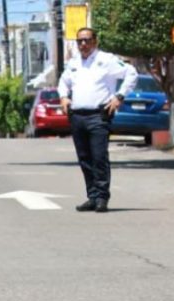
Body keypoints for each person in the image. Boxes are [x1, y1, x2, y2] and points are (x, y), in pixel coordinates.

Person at [57, 27, 136, 213]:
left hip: (98, 115)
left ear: (95, 41)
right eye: (80, 41)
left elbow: (131, 73)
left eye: (87, 40)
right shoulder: (74, 63)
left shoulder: (106, 60)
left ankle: (102, 197)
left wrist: (119, 96)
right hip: (77, 116)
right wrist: (63, 97)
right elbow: (63, 81)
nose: (83, 44)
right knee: (84, 159)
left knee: (99, 157)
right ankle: (92, 196)